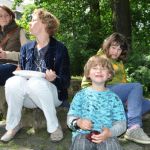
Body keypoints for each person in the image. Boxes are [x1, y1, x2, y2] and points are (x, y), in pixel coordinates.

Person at [0, 8, 70, 142]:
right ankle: (13, 126)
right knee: (12, 81)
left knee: (35, 82)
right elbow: (21, 69)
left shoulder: (60, 48)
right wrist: (19, 72)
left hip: (53, 94)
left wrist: (54, 79)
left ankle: (54, 127)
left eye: (33, 20)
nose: (29, 23)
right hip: (29, 97)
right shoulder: (26, 48)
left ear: (44, 23)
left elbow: (65, 82)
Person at [81, 32, 150, 144]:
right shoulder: (99, 59)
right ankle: (133, 128)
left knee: (147, 103)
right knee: (136, 86)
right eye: (113, 47)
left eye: (119, 50)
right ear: (107, 46)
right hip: (101, 93)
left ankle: (118, 124)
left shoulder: (119, 63)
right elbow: (85, 83)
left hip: (117, 95)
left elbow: (124, 84)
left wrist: (129, 97)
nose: (116, 52)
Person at [67, 55, 126, 150]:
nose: (99, 71)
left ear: (109, 75)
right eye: (95, 68)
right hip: (82, 134)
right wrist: (78, 122)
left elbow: (121, 123)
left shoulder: (114, 98)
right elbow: (71, 117)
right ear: (88, 74)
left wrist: (110, 132)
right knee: (80, 144)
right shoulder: (80, 95)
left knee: (111, 145)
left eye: (103, 68)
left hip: (106, 135)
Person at [0, 5, 28, 86]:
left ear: (11, 16)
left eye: (6, 15)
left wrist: (6, 55)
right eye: (0, 16)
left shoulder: (20, 31)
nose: (3, 18)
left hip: (13, 66)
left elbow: (26, 55)